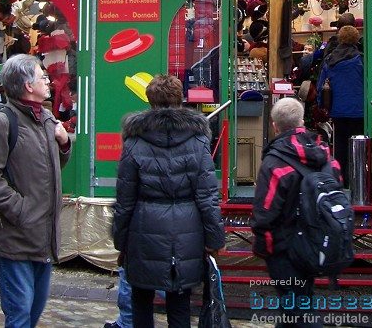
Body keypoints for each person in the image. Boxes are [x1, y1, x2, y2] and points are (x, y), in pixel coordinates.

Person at [112, 74, 225, 328]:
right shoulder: (197, 140)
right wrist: (215, 240)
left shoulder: (134, 140)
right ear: (180, 99)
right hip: (186, 234)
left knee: (141, 302)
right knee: (179, 306)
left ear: (149, 100)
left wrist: (121, 242)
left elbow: (124, 200)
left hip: (143, 233)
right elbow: (207, 196)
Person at [0, 53, 71, 328]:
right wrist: (19, 210)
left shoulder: (45, 117)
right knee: (19, 316)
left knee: (33, 314)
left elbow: (54, 164)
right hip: (16, 239)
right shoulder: (2, 121)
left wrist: (65, 143)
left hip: (43, 237)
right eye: (42, 76)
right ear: (27, 85)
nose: (47, 80)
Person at [252, 97, 341, 326]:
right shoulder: (325, 155)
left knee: (298, 310)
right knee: (297, 305)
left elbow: (265, 212)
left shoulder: (274, 163)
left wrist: (264, 245)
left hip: (286, 247)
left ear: (274, 125)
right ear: (302, 121)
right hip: (315, 241)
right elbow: (335, 188)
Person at [317, 24, 363, 187]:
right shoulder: (361, 59)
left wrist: (322, 105)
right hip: (359, 110)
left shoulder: (330, 59)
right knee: (358, 147)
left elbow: (321, 85)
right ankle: (358, 181)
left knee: (340, 146)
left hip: (338, 109)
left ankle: (341, 180)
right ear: (356, 39)